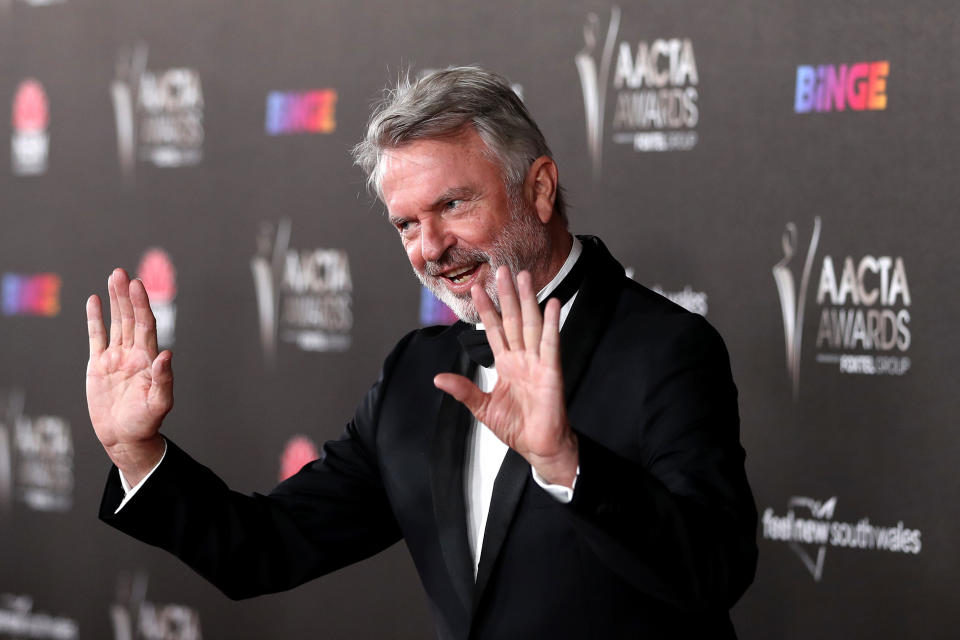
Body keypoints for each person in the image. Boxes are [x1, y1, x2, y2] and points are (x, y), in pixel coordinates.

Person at [86, 67, 757, 639]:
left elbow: (715, 571)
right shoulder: (416, 371)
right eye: (407, 223)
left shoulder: (667, 348)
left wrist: (565, 461)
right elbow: (270, 547)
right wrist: (137, 453)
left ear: (540, 189)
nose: (430, 247)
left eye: (454, 205)